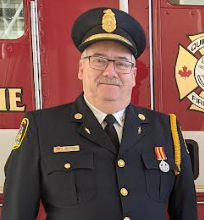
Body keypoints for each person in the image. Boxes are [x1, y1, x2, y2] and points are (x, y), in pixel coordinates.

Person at [2, 7, 197, 220]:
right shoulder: (41, 128)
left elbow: (185, 212)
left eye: (122, 63)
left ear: (133, 75)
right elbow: (16, 214)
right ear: (81, 69)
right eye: (98, 60)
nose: (110, 72)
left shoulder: (165, 129)